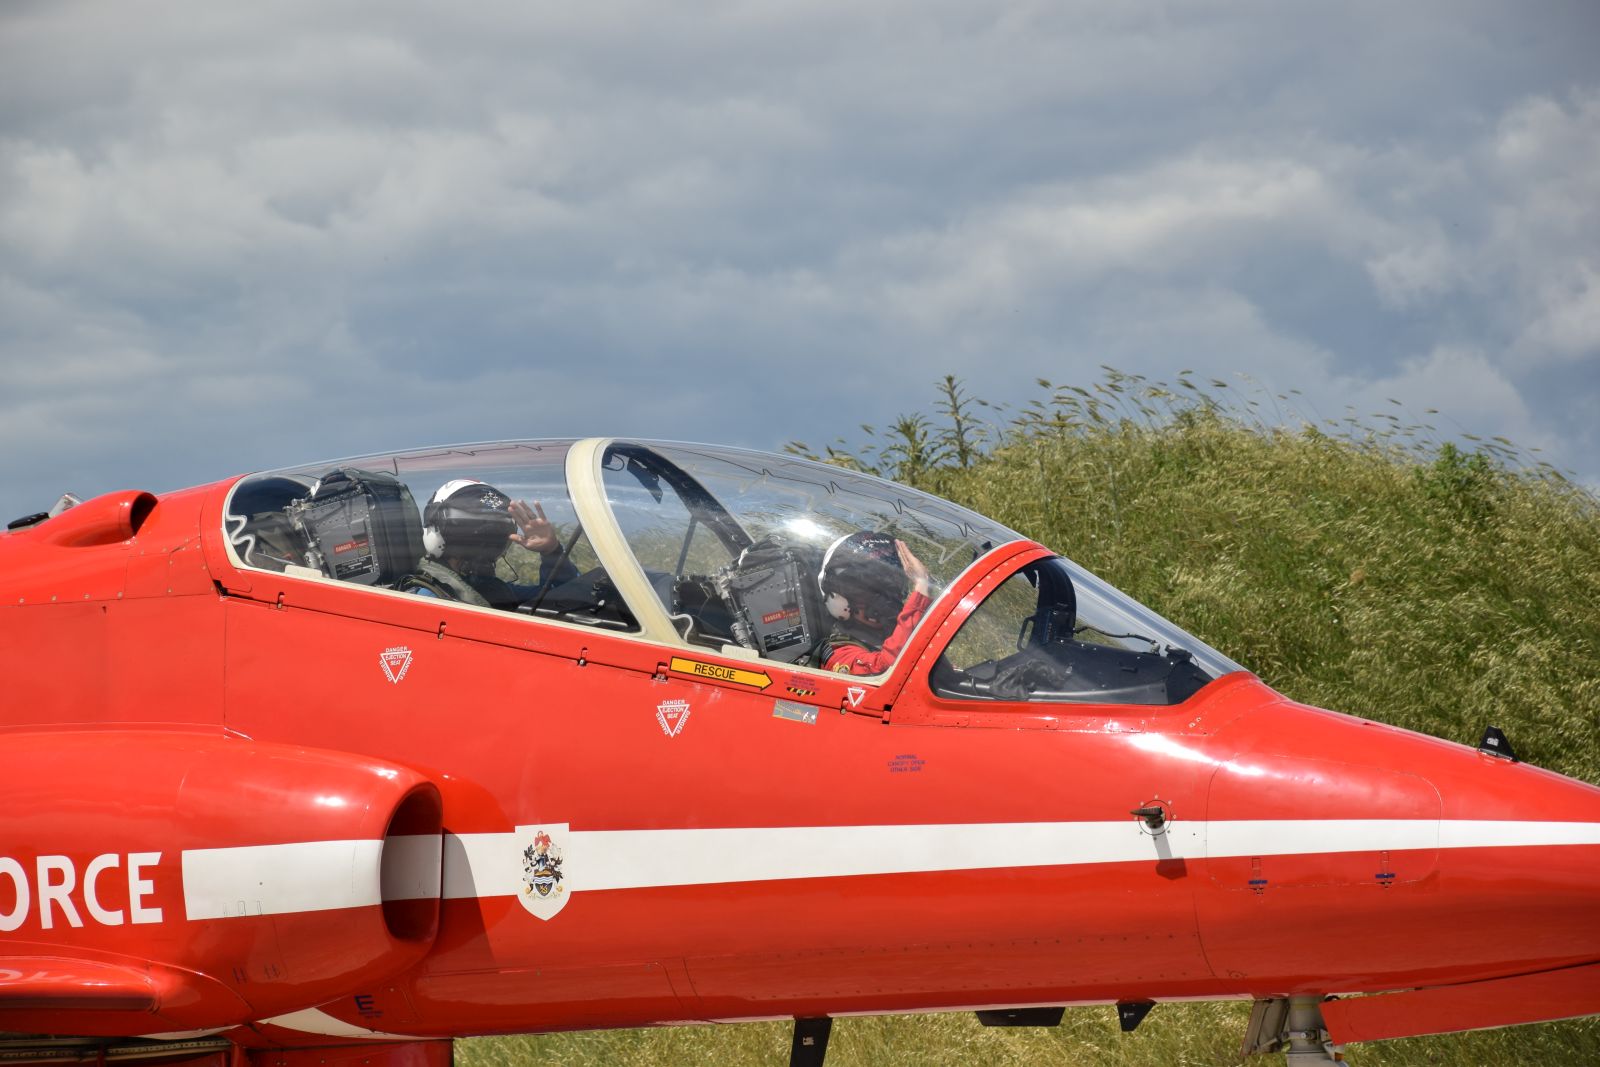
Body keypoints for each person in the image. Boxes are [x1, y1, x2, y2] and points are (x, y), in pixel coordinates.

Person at [398, 479, 578, 609]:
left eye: (492, 539)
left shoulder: (492, 590)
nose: (482, 550)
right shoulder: (425, 600)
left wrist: (551, 551)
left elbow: (562, 599)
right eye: (471, 538)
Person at [816, 532, 932, 675]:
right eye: (866, 590)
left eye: (888, 589)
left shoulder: (890, 639)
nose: (882, 600)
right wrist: (921, 585)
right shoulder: (839, 654)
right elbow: (885, 669)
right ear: (838, 597)